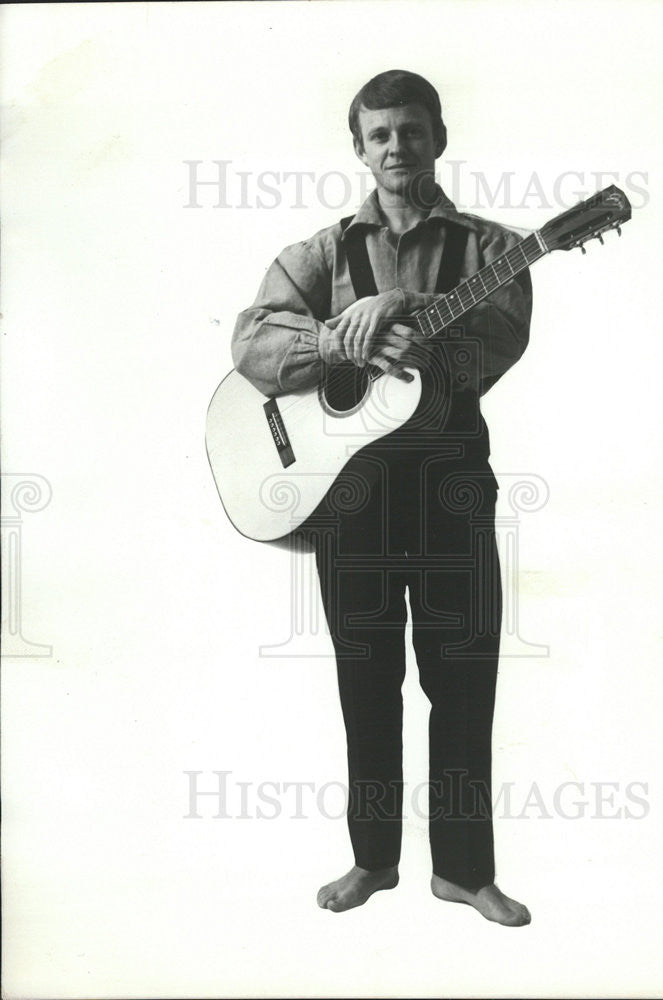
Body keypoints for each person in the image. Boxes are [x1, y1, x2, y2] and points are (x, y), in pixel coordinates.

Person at [232, 69, 532, 926]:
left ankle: (464, 872)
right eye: (380, 135)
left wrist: (407, 305)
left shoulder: (491, 248)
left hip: (450, 491)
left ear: (439, 136)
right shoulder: (317, 255)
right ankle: (372, 862)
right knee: (365, 681)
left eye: (411, 129)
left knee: (464, 681)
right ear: (359, 149)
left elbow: (495, 341)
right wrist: (336, 333)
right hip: (351, 499)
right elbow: (253, 346)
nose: (397, 146)